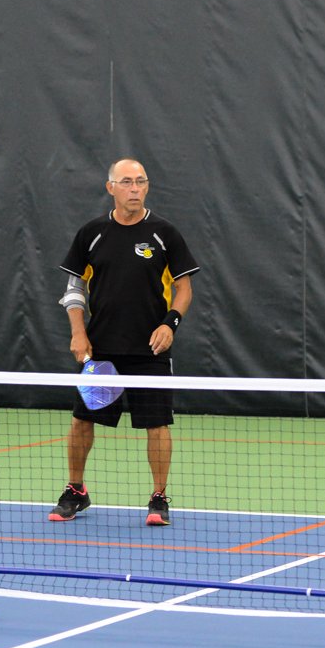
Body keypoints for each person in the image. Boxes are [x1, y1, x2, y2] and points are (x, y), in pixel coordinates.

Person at [48, 158, 199, 526]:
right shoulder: (92, 234)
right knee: (82, 421)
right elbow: (74, 289)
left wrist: (170, 324)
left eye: (141, 182)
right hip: (101, 351)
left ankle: (159, 497)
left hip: (151, 350)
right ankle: (76, 490)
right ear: (111, 187)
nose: (135, 189)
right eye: (127, 182)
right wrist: (78, 332)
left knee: (157, 424)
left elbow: (183, 288)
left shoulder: (164, 234)